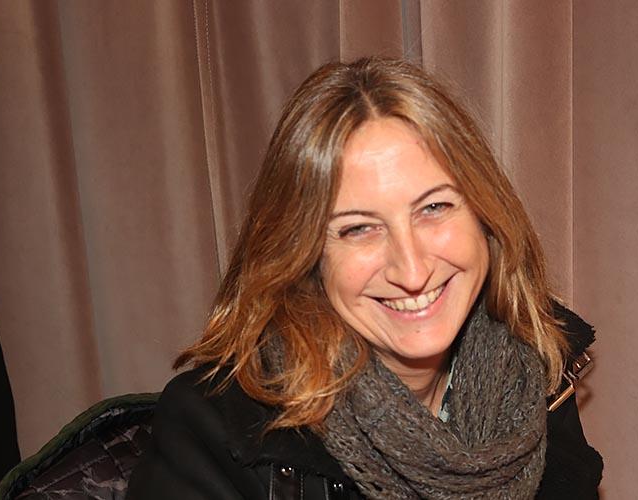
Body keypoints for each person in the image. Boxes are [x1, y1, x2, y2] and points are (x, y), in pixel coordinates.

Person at [127, 57, 602, 499]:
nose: (413, 271)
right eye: (358, 229)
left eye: (434, 207)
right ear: (304, 254)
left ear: (486, 215)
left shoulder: (530, 373)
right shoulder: (215, 432)